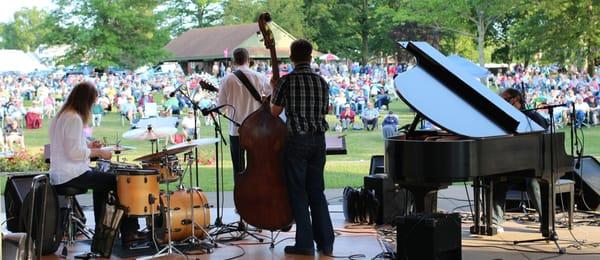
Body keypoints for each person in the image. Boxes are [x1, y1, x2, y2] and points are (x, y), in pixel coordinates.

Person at [48, 82, 143, 247]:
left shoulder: (62, 116)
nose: (92, 106)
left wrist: (90, 145)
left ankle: (103, 233)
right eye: (92, 102)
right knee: (119, 181)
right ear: (86, 101)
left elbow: (69, 144)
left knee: (103, 184)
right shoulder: (74, 118)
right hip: (71, 173)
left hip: (62, 172)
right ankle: (129, 232)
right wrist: (99, 153)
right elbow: (74, 153)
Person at [271, 39, 334, 256]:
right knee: (317, 191)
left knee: (298, 192)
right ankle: (326, 243)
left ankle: (305, 243)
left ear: (292, 57)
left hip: (297, 140)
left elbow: (274, 111)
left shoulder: (286, 81)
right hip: (319, 140)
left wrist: (274, 91)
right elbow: (326, 108)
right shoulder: (321, 81)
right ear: (310, 56)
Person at [492, 88, 548, 233]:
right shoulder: (503, 119)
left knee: (533, 182)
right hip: (513, 166)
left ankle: (546, 221)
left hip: (534, 166)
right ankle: (495, 222)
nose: (503, 102)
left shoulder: (532, 116)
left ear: (516, 99)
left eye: (505, 99)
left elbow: (545, 135)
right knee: (497, 180)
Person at [217, 48, 271, 175]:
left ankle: (240, 194)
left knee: (239, 170)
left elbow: (220, 108)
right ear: (248, 60)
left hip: (236, 131)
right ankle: (257, 193)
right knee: (257, 168)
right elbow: (272, 96)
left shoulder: (226, 80)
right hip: (256, 130)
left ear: (233, 61)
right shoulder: (259, 77)